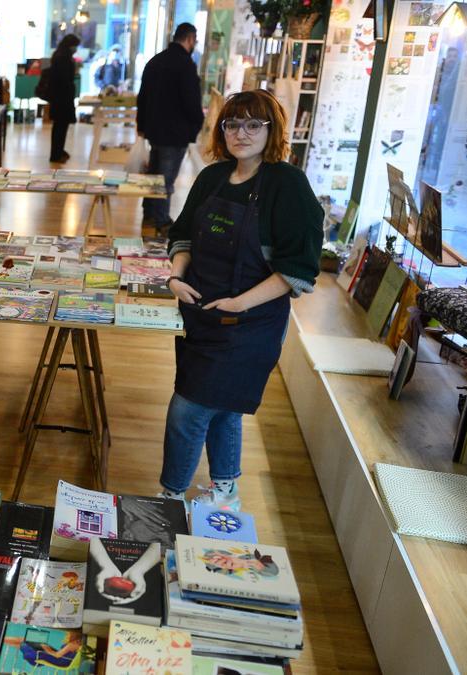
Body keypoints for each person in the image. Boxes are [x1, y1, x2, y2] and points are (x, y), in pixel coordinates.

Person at [160, 90, 323, 510]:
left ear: (273, 130)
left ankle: (171, 497)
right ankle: (226, 490)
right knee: (224, 407)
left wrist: (239, 303)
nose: (241, 133)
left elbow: (298, 269)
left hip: (251, 326)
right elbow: (181, 233)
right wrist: (177, 275)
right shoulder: (212, 178)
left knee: (189, 411)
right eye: (232, 124)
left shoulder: (287, 185)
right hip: (203, 319)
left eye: (254, 124)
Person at [136, 23, 206, 233]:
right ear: (190, 39)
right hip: (175, 133)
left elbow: (142, 97)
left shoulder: (155, 61)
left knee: (154, 176)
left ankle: (149, 214)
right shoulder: (185, 64)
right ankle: (161, 220)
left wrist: (141, 125)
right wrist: (197, 124)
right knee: (165, 179)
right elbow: (191, 101)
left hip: (154, 131)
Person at [47, 34, 81, 163]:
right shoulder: (63, 57)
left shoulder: (59, 55)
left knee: (59, 127)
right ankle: (56, 154)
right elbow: (64, 79)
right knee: (60, 127)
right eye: (75, 46)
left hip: (59, 98)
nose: (75, 49)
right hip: (62, 98)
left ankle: (58, 151)